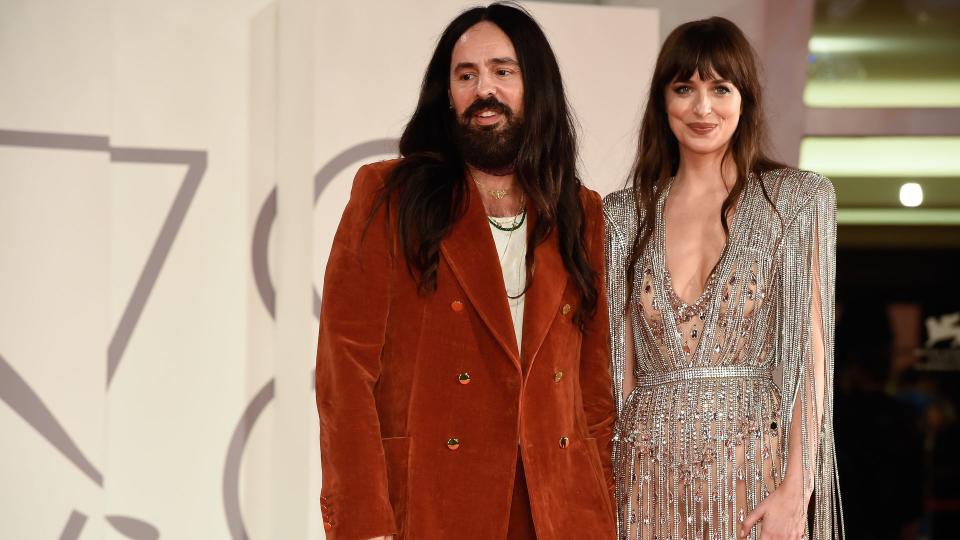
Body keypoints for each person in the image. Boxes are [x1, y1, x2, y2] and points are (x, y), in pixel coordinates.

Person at [315, 3, 616, 539]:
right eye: (466, 75)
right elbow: (345, 371)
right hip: (435, 503)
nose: (485, 91)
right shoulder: (390, 195)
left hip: (558, 515)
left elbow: (593, 396)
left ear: (535, 85)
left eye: (503, 71)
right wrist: (363, 522)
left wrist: (604, 512)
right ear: (446, 92)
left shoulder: (580, 211)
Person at [603, 17, 842, 540]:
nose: (702, 108)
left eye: (720, 88)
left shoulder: (794, 202)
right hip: (646, 480)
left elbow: (812, 357)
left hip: (754, 473)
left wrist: (796, 490)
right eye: (684, 88)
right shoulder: (622, 217)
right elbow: (617, 373)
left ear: (745, 98)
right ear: (663, 102)